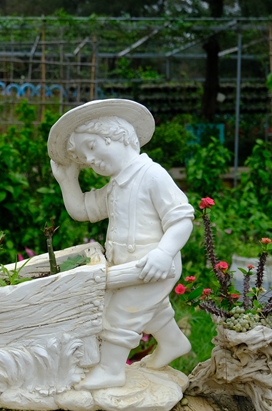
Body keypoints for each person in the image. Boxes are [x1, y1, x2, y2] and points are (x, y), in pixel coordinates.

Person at [48, 99, 194, 390]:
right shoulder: (116, 186)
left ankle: (111, 370)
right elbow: (82, 210)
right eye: (85, 159)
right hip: (127, 267)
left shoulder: (152, 175)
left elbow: (181, 219)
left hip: (152, 266)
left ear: (116, 136)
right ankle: (173, 342)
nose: (90, 161)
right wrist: (67, 181)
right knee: (149, 308)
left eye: (91, 148)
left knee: (118, 314)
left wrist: (164, 253)